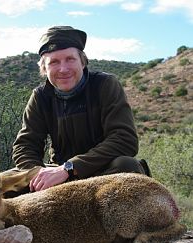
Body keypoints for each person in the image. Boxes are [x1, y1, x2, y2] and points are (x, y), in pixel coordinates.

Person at [12, 25, 150, 192]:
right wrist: (39, 174)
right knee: (1, 184)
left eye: (70, 59)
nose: (63, 69)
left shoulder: (105, 85)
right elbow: (25, 146)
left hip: (102, 172)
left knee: (127, 165)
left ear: (83, 62)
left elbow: (124, 139)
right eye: (54, 62)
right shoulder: (40, 97)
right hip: (58, 178)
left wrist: (69, 168)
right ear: (44, 69)